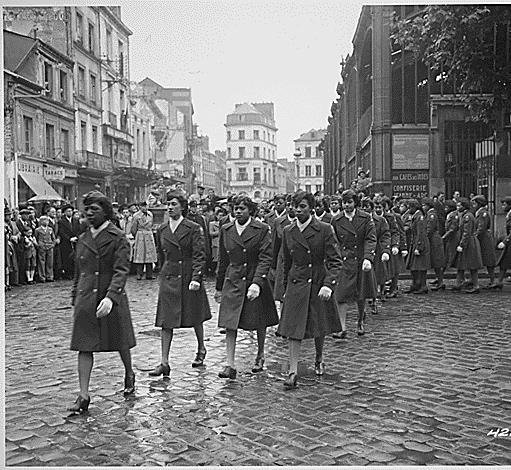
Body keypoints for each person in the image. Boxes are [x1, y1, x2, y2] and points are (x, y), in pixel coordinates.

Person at [68, 191, 136, 413]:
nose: (89, 213)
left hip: (110, 297)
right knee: (83, 345)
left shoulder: (118, 238)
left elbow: (121, 270)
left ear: (106, 212)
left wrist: (111, 296)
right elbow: (79, 270)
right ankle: (83, 395)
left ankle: (129, 372)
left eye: (94, 209)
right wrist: (75, 295)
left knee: (120, 340)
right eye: (86, 209)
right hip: (87, 298)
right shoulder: (83, 238)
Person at [277, 191, 342, 389]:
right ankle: (293, 371)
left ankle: (319, 356)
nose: (298, 210)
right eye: (295, 206)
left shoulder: (324, 229)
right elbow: (286, 262)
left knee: (317, 324)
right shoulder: (288, 231)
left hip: (317, 282)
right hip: (297, 282)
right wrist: (284, 289)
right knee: (293, 329)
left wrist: (328, 284)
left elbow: (335, 261)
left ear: (311, 208)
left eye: (303, 206)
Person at [215, 195, 278, 379]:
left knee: (259, 320)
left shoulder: (262, 229)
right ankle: (230, 363)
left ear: (250, 210)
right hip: (233, 280)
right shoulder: (226, 229)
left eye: (242, 208)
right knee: (230, 321)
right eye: (235, 208)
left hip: (254, 278)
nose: (238, 211)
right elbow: (223, 259)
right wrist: (219, 287)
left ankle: (260, 355)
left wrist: (257, 282)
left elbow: (266, 257)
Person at [149, 192, 211, 377]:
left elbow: (200, 254)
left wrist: (196, 277)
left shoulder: (192, 227)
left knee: (195, 315)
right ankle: (164, 362)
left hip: (188, 276)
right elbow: (161, 254)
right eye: (168, 203)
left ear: (182, 207)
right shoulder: (162, 229)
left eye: (174, 204)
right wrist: (163, 271)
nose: (170, 207)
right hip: (169, 276)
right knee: (165, 320)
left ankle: (201, 348)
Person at [331, 189, 377, 337]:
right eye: (344, 203)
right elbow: (333, 241)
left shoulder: (365, 218)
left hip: (360, 260)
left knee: (360, 293)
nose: (346, 206)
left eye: (349, 202)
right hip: (344, 261)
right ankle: (342, 327)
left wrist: (368, 258)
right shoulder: (337, 220)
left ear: (355, 203)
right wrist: (335, 257)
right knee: (341, 294)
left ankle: (360, 321)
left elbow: (371, 238)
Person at [363, 197, 390, 313]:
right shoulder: (360, 220)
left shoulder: (380, 220)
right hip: (364, 250)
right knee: (364, 278)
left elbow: (385, 235)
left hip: (377, 251)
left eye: (367, 206)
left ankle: (375, 300)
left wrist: (385, 250)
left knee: (377, 276)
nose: (365, 208)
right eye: (363, 206)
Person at [451, 197, 483, 293]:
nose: (457, 207)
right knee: (461, 263)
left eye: (459, 205)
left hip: (469, 242)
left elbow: (466, 232)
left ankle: (476, 286)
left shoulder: (467, 216)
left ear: (464, 206)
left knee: (472, 265)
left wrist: (462, 244)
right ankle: (458, 283)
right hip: (467, 241)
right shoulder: (464, 215)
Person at [405, 199, 430, 294]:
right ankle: (415, 284)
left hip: (420, 243)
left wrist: (418, 247)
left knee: (421, 267)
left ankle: (423, 286)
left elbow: (421, 233)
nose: (408, 209)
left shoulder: (420, 217)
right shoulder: (416, 216)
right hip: (415, 242)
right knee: (414, 266)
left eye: (409, 207)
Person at [472, 195, 496, 288]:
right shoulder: (479, 212)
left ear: (479, 203)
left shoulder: (483, 213)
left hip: (484, 239)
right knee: (478, 259)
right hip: (481, 238)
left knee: (488, 260)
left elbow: (481, 228)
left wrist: (475, 236)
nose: (473, 205)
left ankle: (493, 281)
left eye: (474, 203)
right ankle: (473, 280)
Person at [422, 197, 446, 290]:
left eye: (424, 205)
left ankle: (440, 282)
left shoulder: (431, 215)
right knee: (435, 261)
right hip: (432, 239)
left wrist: (425, 238)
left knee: (437, 261)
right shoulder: (429, 214)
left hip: (434, 240)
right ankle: (438, 279)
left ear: (428, 206)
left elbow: (430, 228)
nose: (423, 207)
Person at [131, 201, 158, 280]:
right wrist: (137, 236)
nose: (145, 208)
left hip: (149, 235)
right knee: (140, 255)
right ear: (140, 207)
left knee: (149, 255)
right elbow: (133, 228)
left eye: (146, 206)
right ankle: (139, 274)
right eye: (143, 206)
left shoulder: (150, 214)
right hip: (140, 236)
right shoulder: (136, 216)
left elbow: (151, 224)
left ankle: (149, 274)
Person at [492, 196, 511, 289]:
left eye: (504, 205)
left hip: (509, 241)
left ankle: (499, 281)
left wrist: (505, 241)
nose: (502, 207)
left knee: (505, 261)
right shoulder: (509, 214)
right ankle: (499, 281)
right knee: (504, 262)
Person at [58, 204, 81, 280]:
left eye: (71, 211)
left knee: (75, 257)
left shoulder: (76, 220)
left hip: (75, 241)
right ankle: (68, 273)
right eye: (68, 211)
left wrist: (76, 237)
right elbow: (61, 232)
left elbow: (78, 230)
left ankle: (75, 273)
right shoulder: (61, 221)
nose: (70, 212)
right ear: (64, 212)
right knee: (67, 258)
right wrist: (69, 238)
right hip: (66, 242)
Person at [35, 215, 56, 282]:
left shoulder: (50, 229)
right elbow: (35, 238)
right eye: (44, 220)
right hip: (42, 247)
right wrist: (38, 245)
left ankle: (49, 276)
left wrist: (53, 244)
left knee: (50, 262)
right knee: (41, 262)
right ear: (40, 221)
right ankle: (42, 277)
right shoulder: (37, 230)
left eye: (47, 220)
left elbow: (53, 238)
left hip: (49, 246)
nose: (46, 222)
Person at [441, 200, 460, 274]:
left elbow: (453, 228)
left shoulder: (454, 215)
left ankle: (451, 269)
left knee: (452, 253)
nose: (445, 209)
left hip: (453, 236)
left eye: (446, 207)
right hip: (449, 236)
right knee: (447, 253)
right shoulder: (449, 214)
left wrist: (444, 236)